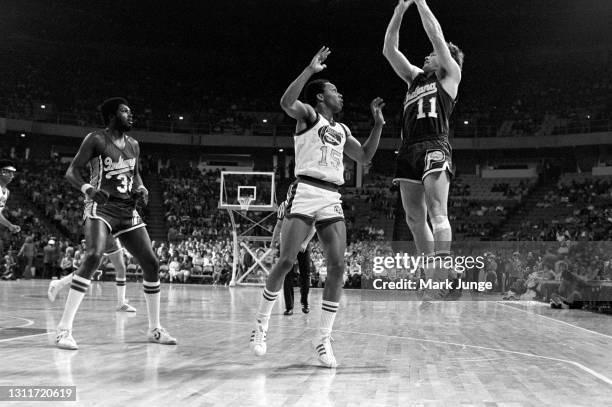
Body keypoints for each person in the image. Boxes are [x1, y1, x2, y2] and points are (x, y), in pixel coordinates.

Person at [249, 47, 385, 368]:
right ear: (321, 98)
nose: (340, 95)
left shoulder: (342, 130)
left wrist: (378, 125)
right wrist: (310, 70)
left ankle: (322, 340)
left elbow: (364, 156)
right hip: (306, 190)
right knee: (285, 262)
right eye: (334, 91)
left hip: (331, 195)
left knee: (338, 265)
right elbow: (285, 103)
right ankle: (261, 326)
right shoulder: (309, 116)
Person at [55, 97, 176, 350]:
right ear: (111, 115)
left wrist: (141, 187)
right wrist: (88, 189)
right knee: (93, 256)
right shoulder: (96, 139)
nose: (131, 116)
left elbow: (135, 172)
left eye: (130, 111)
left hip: (126, 209)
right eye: (125, 111)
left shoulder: (133, 144)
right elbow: (71, 172)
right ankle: (63, 330)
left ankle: (154, 329)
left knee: (152, 263)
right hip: (101, 207)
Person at [383, 0, 463, 285]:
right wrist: (399, 11)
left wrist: (420, 2)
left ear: (445, 59)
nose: (427, 56)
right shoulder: (414, 79)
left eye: (432, 55)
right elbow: (389, 50)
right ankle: (430, 274)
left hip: (434, 144)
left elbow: (436, 36)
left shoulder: (450, 76)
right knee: (414, 219)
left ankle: (442, 272)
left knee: (437, 211)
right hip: (408, 148)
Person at [47, 236, 137, 313]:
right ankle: (58, 284)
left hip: (112, 235)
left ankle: (121, 303)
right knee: (90, 269)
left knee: (120, 268)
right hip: (103, 233)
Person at [271, 198, 315, 315]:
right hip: (288, 242)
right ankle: (289, 306)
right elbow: (279, 225)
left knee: (305, 273)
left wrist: (305, 243)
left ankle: (305, 302)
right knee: (287, 274)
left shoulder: (308, 203)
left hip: (303, 243)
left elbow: (313, 227)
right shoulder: (284, 205)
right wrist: (273, 241)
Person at [0, 160, 21, 235]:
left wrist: (10, 225)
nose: (12, 176)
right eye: (10, 172)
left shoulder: (7, 192)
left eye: (13, 173)